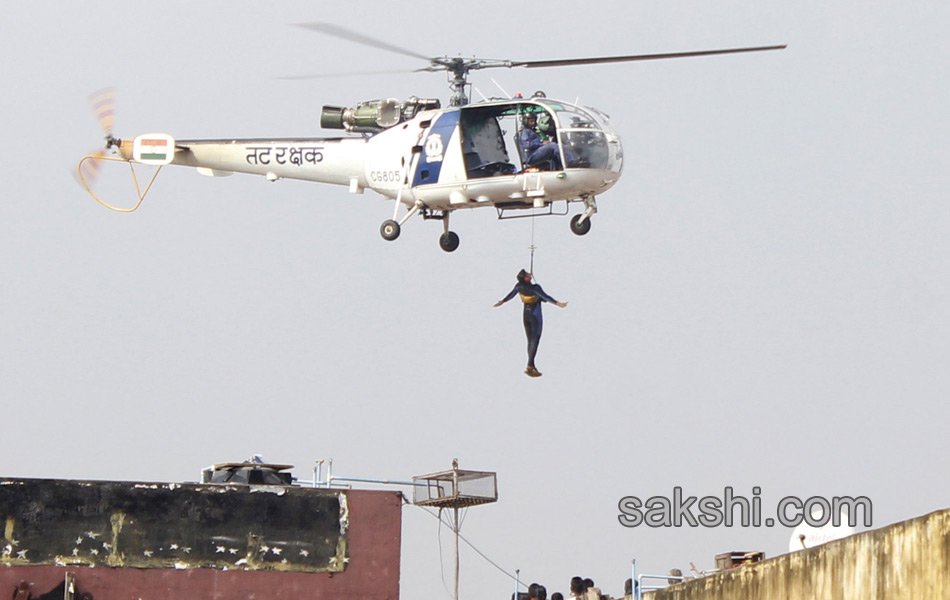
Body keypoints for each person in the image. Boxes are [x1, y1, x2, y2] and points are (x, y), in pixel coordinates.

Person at [494, 269, 567, 377]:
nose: (530, 275)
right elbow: (544, 296)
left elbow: (511, 294)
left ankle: (530, 364)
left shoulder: (519, 286)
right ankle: (530, 364)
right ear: (525, 278)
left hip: (525, 315)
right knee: (535, 339)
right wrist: (557, 303)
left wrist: (503, 301)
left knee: (529, 340)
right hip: (534, 315)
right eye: (528, 275)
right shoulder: (534, 288)